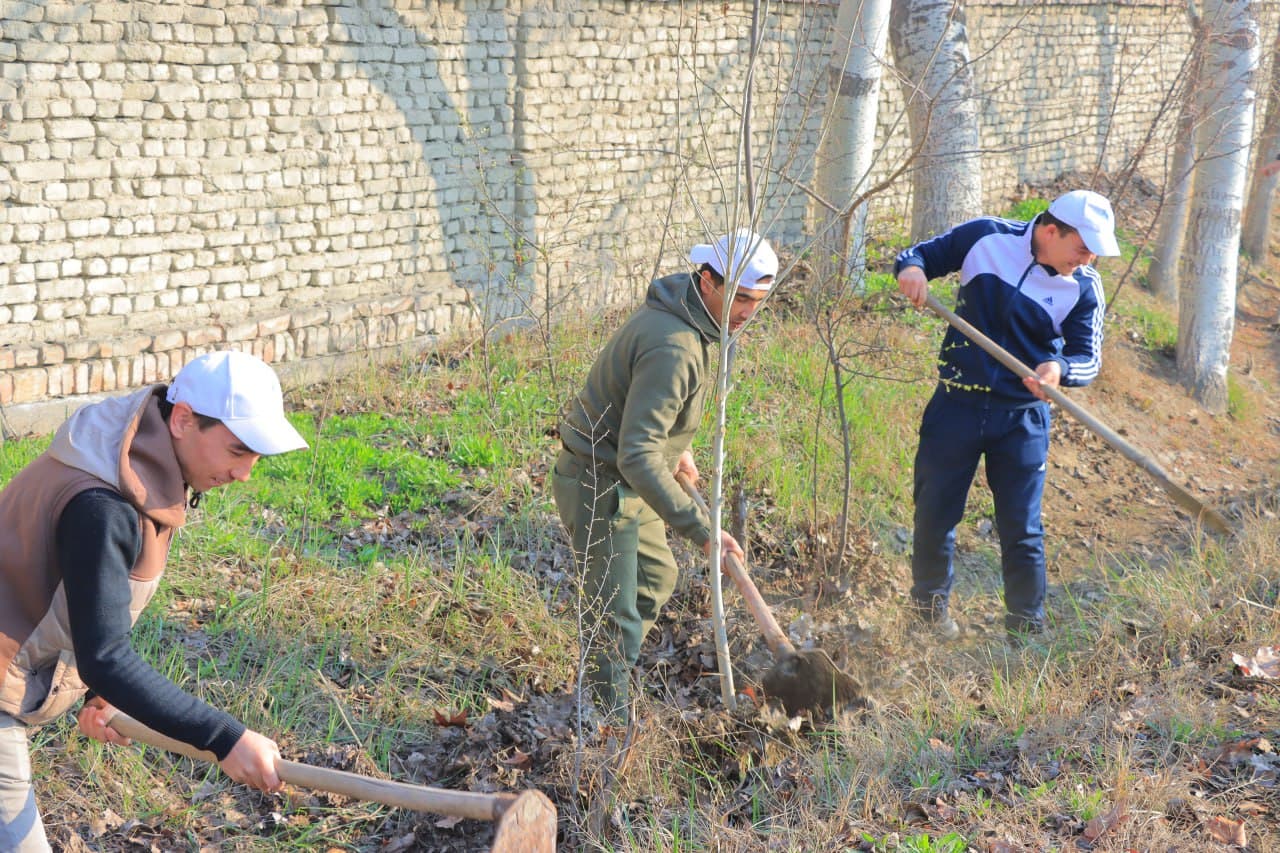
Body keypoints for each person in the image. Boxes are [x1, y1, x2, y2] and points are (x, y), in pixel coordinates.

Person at [0, 350, 309, 851]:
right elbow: (107, 655)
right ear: (184, 419)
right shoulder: (103, 503)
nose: (246, 473)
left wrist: (94, 688)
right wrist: (225, 738)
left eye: (257, 456)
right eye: (237, 451)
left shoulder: (134, 459)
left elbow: (77, 604)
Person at [552, 229, 778, 721]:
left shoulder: (687, 319)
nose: (747, 312)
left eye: (756, 301)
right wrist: (703, 532)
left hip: (626, 475)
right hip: (601, 483)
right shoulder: (673, 344)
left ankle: (611, 669)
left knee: (656, 575)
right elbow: (637, 453)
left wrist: (680, 447)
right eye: (739, 297)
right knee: (616, 615)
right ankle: (602, 724)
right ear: (707, 281)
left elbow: (650, 412)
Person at [895, 190, 1118, 640]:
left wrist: (1060, 369)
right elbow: (917, 255)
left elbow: (1088, 358)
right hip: (955, 404)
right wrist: (913, 271)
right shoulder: (986, 237)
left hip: (1021, 418)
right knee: (934, 514)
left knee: (1022, 528)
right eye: (1082, 246)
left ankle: (1024, 629)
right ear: (1050, 231)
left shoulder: (1083, 285)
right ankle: (928, 616)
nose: (1088, 257)